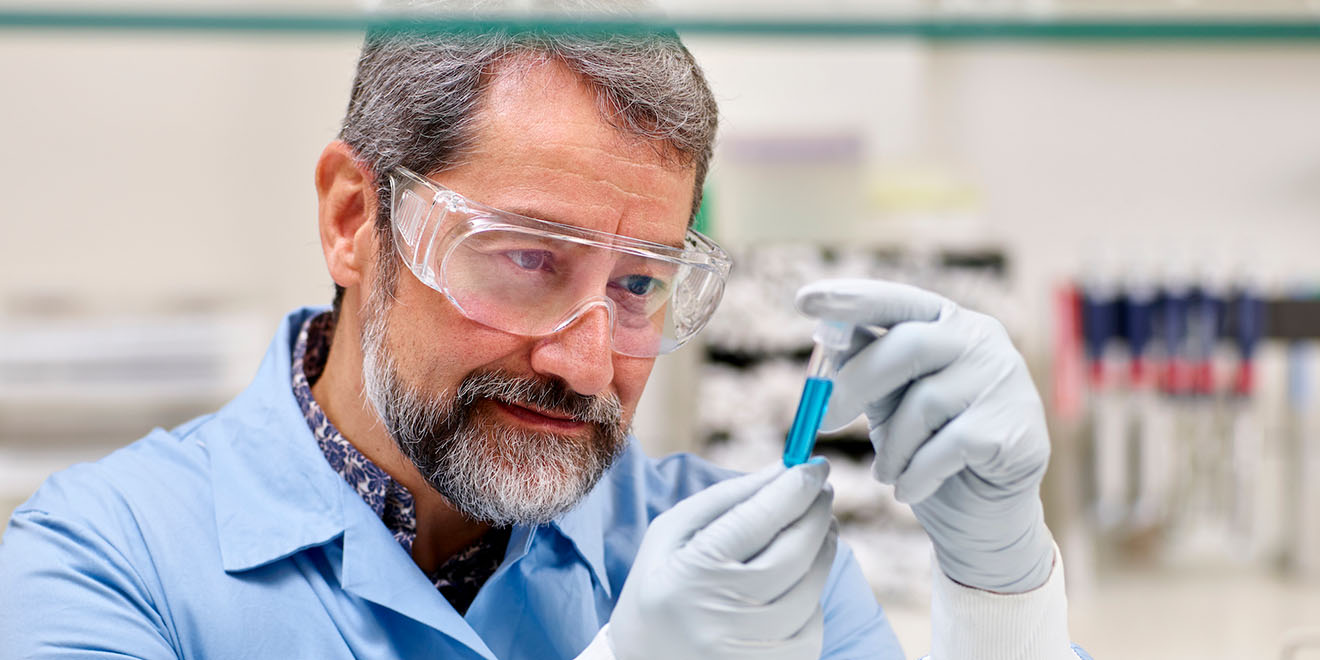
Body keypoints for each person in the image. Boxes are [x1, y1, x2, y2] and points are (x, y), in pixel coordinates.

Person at [0, 16, 1091, 660]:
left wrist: (1001, 585)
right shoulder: (103, 566)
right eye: (527, 260)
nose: (583, 361)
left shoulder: (735, 566)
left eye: (638, 283)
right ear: (351, 219)